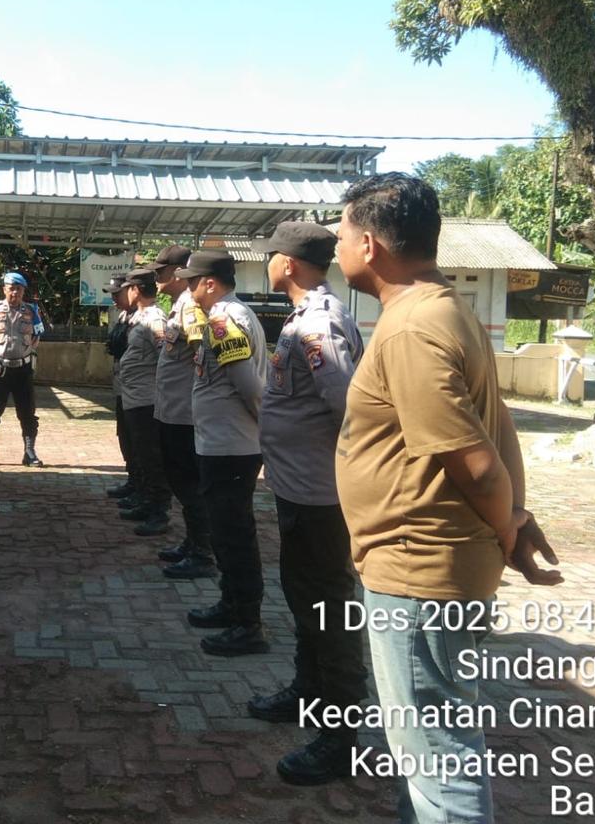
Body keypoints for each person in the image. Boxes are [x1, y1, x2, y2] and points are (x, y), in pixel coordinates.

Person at [334, 172, 562, 823]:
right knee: (427, 750)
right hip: (433, 567)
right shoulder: (446, 308)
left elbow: (477, 464)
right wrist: (513, 518)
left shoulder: (412, 327)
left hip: (419, 572)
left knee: (438, 753)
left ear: (370, 245)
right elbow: (499, 425)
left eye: (342, 235)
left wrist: (509, 524)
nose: (338, 248)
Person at [244, 221, 368, 786]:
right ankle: (308, 693)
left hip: (321, 495)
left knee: (330, 612)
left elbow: (348, 408)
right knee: (304, 599)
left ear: (288, 263)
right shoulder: (305, 317)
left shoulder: (318, 324)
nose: (268, 262)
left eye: (271, 255)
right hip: (302, 489)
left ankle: (341, 738)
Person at [175, 249, 271, 656]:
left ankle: (247, 624)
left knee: (234, 537)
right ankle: (231, 605)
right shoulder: (226, 316)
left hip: (231, 447)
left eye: (191, 282)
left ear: (209, 284)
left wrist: (266, 431)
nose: (187, 289)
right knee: (226, 533)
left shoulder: (223, 320)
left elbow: (249, 387)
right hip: (223, 443)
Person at [148, 245, 216, 578]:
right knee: (182, 483)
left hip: (185, 415)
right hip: (173, 410)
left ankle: (202, 552)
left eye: (160, 271)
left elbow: (201, 350)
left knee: (189, 484)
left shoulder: (190, 306)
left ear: (176, 273)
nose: (156, 278)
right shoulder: (179, 306)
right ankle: (192, 542)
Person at [116, 268, 172, 536]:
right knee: (140, 454)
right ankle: (145, 500)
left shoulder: (155, 318)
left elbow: (165, 357)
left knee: (151, 457)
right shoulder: (138, 317)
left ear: (136, 290)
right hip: (134, 397)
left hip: (147, 399)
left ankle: (159, 511)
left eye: (128, 287)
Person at [0, 272, 44, 467]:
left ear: (23, 291)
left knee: (27, 412)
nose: (15, 292)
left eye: (19, 289)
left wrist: (30, 351)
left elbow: (37, 335)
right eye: (11, 288)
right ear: (4, 289)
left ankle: (30, 452)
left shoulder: (31, 311)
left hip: (22, 370)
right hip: (0, 368)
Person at [103, 274, 136, 500]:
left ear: (131, 291)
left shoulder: (149, 319)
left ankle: (144, 490)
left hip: (139, 392)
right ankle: (133, 481)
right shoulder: (124, 316)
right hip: (122, 387)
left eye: (117, 294)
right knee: (125, 437)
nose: (114, 298)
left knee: (139, 442)